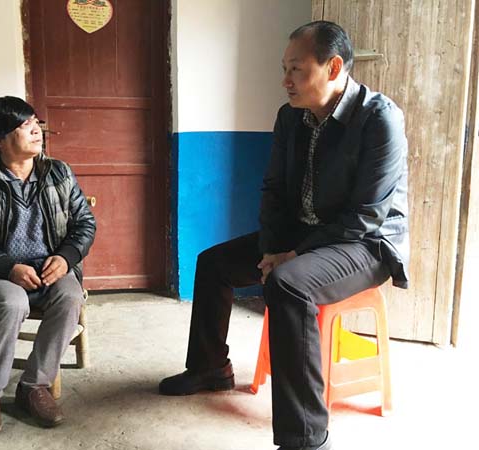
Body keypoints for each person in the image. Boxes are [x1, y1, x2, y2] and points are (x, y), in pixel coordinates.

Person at [159, 21, 409, 450]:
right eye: (284, 69)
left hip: (365, 245)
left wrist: (293, 255)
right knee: (214, 263)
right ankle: (209, 368)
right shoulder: (291, 116)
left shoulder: (379, 119)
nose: (286, 80)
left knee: (289, 284)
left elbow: (366, 216)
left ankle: (306, 436)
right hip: (302, 235)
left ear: (333, 67)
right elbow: (273, 190)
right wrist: (275, 248)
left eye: (296, 69)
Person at [0, 96, 96, 438]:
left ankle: (34, 386)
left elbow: (84, 223)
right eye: (25, 125)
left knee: (70, 297)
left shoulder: (58, 173)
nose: (36, 131)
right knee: (11, 302)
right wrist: (8, 267)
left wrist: (67, 256)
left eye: (36, 123)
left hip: (50, 267)